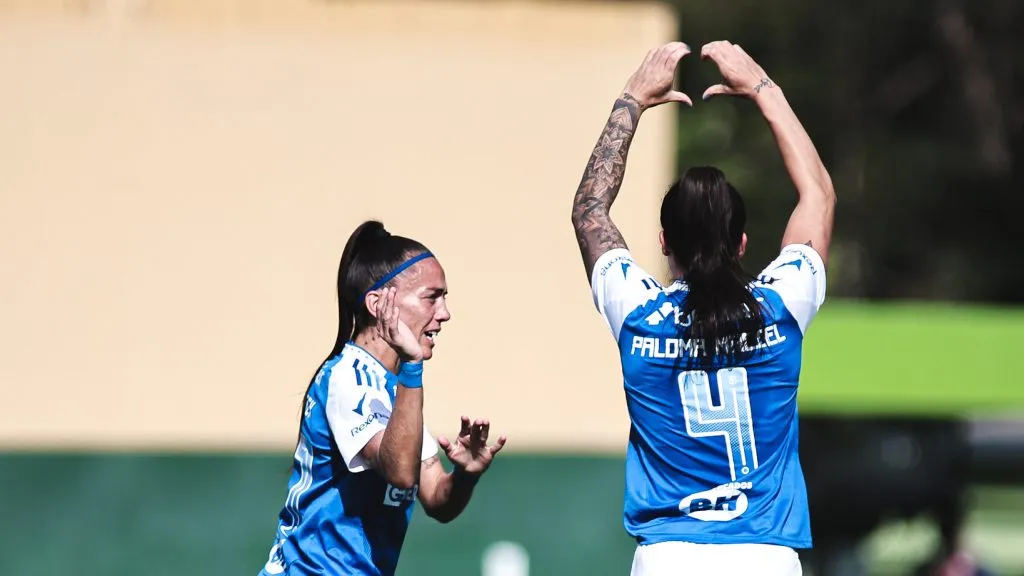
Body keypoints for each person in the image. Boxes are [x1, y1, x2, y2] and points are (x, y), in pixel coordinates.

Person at [570, 41, 836, 575]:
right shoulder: (783, 306)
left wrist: (632, 100)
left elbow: (589, 208)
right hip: (766, 556)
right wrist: (763, 87)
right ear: (741, 243)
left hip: (668, 557)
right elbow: (818, 195)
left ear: (664, 240)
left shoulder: (637, 312)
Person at [258, 220, 507, 576]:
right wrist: (412, 367)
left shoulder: (392, 389)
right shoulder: (347, 377)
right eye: (432, 297)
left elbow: (437, 497)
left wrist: (465, 475)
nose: (445, 313)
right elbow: (401, 473)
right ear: (378, 303)